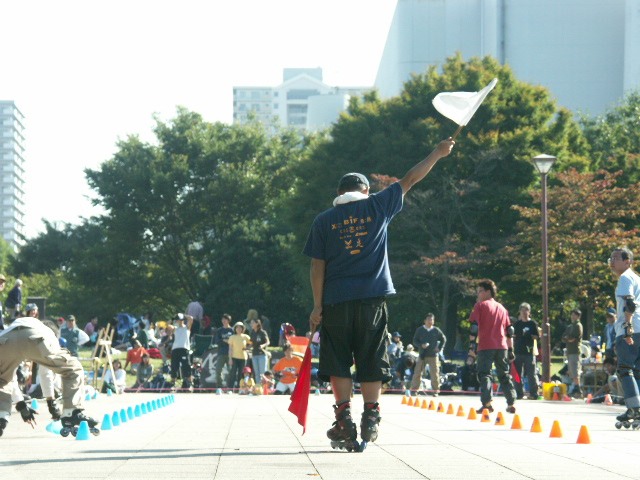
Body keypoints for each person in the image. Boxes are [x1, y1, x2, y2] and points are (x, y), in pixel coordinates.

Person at [303, 137, 455, 448]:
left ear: (339, 193)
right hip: (372, 299)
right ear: (366, 190)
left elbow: (317, 267)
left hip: (335, 302)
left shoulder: (324, 221)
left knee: (339, 360)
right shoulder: (377, 206)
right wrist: (438, 153)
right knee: (372, 356)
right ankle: (371, 416)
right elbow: (410, 179)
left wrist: (317, 306)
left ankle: (343, 420)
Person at [0, 312, 98, 436]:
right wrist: (51, 402)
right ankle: (71, 412)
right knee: (72, 368)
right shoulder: (48, 332)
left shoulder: (20, 324)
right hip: (33, 337)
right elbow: (45, 372)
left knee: (3, 379)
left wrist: (21, 405)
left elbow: (12, 378)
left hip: (5, 339)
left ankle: (2, 416)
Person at [468, 279, 517, 414]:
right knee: (504, 374)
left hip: (486, 345)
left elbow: (474, 328)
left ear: (488, 292)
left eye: (480, 291)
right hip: (502, 346)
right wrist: (511, 350)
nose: (478, 294)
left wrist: (472, 347)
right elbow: (509, 331)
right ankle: (511, 402)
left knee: (485, 374)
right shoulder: (502, 308)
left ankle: (487, 403)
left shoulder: (480, 306)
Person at [608, 247, 640, 423]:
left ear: (627, 261)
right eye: (611, 258)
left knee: (625, 369)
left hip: (630, 329)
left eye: (616, 258)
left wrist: (627, 326)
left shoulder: (625, 278)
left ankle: (634, 409)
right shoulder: (637, 278)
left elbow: (630, 303)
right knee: (637, 371)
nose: (612, 262)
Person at [411, 313, 446, 396]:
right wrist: (421, 345)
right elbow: (415, 340)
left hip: (433, 355)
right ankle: (414, 390)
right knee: (417, 372)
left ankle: (435, 391)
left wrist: (439, 348)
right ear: (425, 321)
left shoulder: (436, 330)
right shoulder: (420, 330)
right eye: (429, 319)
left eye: (432, 319)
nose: (430, 321)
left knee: (435, 374)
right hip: (422, 355)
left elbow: (443, 339)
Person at [512, 302, 540, 400]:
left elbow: (537, 336)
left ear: (529, 312)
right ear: (519, 312)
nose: (524, 312)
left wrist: (530, 335)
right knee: (517, 374)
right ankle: (519, 393)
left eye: (526, 310)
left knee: (531, 374)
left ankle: (534, 393)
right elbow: (513, 336)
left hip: (529, 352)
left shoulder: (532, 324)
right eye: (522, 310)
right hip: (518, 351)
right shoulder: (517, 324)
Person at [562, 308, 584, 398]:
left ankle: (578, 389)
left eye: (574, 315)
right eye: (572, 315)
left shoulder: (578, 325)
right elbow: (564, 337)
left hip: (575, 351)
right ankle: (575, 388)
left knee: (575, 371)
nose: (572, 316)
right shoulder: (570, 326)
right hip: (569, 351)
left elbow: (574, 338)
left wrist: (568, 338)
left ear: (578, 316)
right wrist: (567, 338)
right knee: (571, 371)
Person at [170, 314, 194, 390]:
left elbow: (191, 318)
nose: (180, 321)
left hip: (184, 349)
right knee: (174, 366)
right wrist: (173, 318)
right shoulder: (175, 328)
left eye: (181, 320)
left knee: (186, 366)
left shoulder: (187, 328)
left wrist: (183, 315)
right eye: (178, 320)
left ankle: (189, 383)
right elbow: (168, 326)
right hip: (175, 349)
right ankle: (173, 383)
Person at [227, 321, 251, 390]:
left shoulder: (246, 336)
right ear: (235, 329)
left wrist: (247, 348)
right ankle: (230, 389)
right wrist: (230, 359)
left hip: (243, 358)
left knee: (241, 374)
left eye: (240, 327)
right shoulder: (232, 337)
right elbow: (230, 349)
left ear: (243, 329)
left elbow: (252, 343)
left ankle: (240, 388)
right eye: (237, 327)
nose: (239, 329)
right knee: (233, 373)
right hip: (234, 357)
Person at [214, 314, 234, 388]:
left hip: (230, 353)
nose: (224, 321)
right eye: (222, 319)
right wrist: (225, 341)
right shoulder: (219, 330)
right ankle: (219, 387)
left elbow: (234, 341)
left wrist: (227, 341)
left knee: (231, 371)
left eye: (225, 319)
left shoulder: (232, 330)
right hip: (221, 353)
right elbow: (217, 341)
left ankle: (230, 387)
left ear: (228, 320)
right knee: (218, 371)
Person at [249, 318, 270, 386]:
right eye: (251, 323)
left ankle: (264, 387)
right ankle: (258, 387)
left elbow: (268, 342)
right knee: (256, 373)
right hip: (254, 355)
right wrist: (246, 348)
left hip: (262, 355)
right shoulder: (252, 332)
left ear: (257, 323)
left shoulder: (262, 332)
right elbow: (251, 343)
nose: (251, 324)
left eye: (253, 323)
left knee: (262, 373)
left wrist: (263, 345)